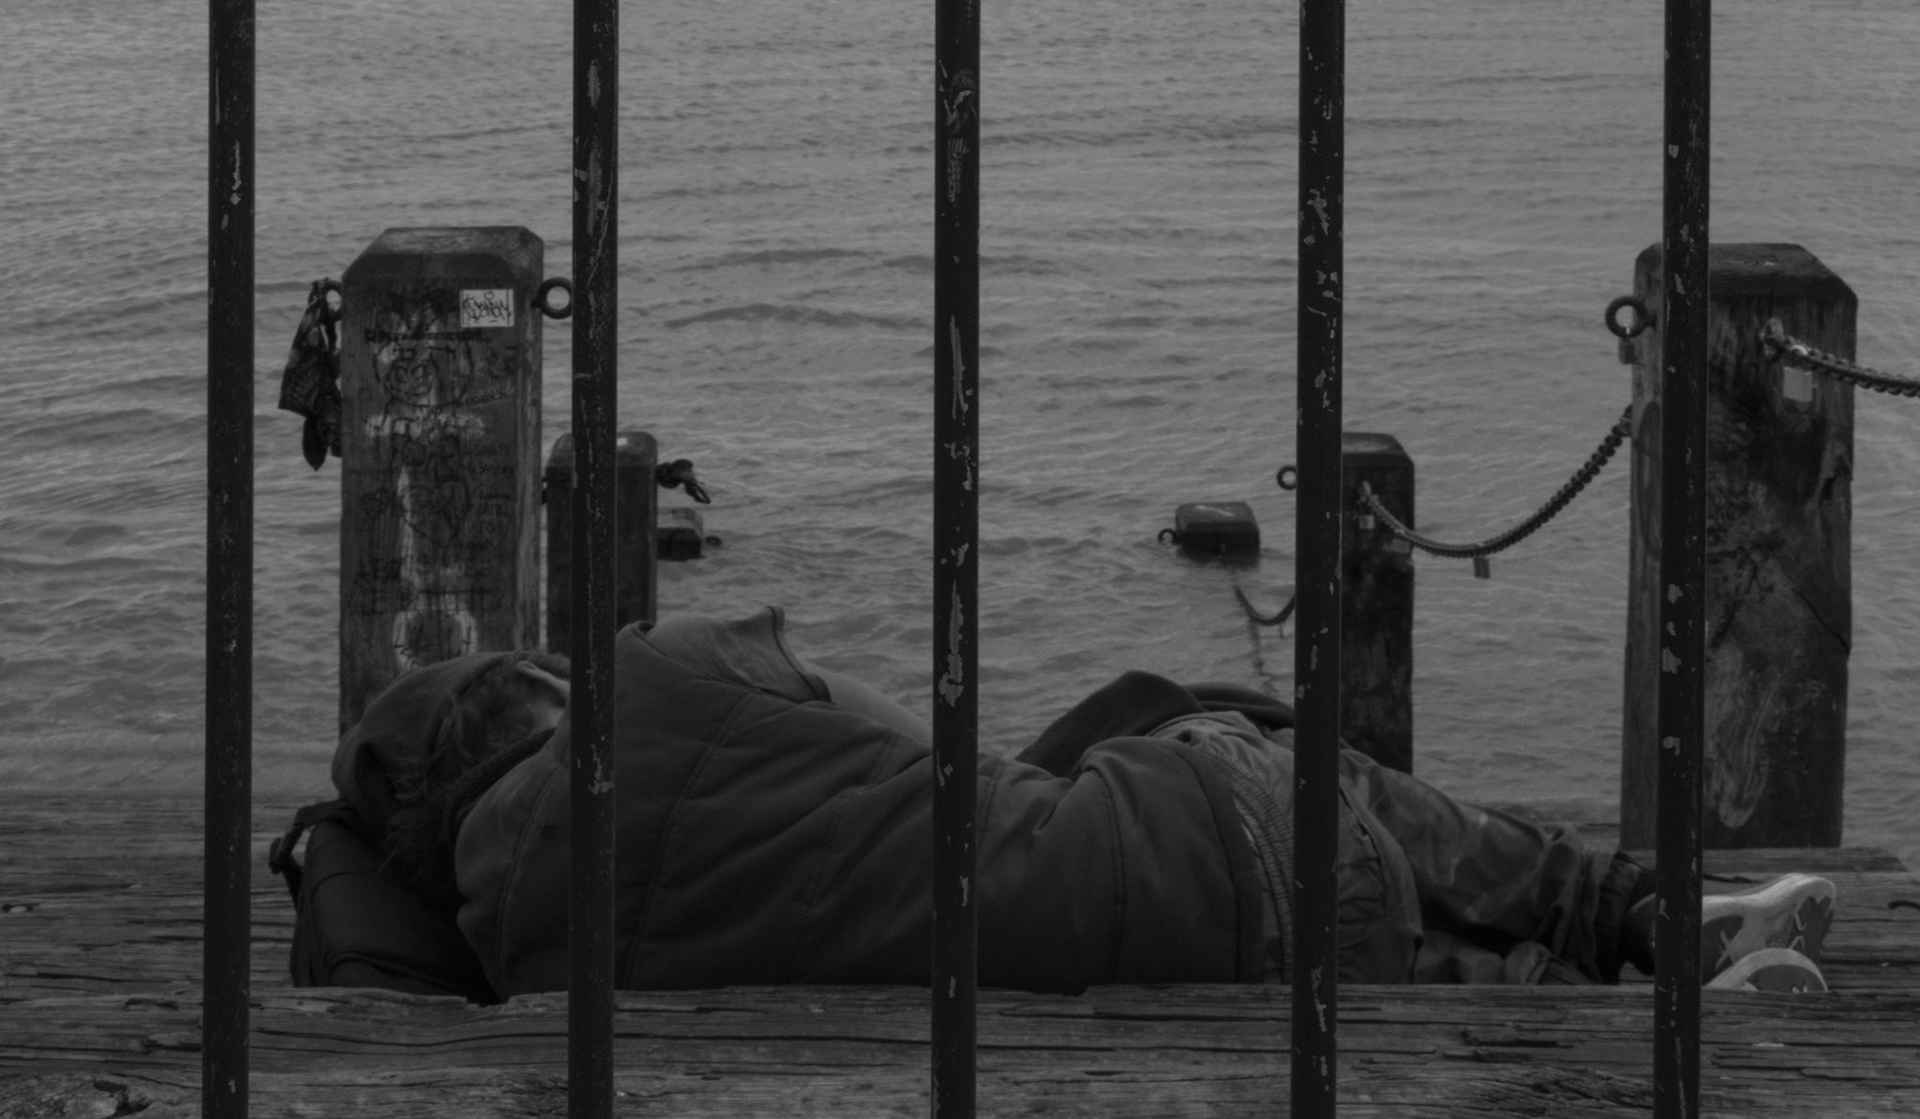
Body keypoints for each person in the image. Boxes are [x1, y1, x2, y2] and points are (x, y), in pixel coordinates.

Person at [331, 607, 1836, 1000]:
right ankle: (1635, 912)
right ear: (545, 697)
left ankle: (1586, 1003)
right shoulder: (655, 679)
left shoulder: (527, 960)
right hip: (1246, 832)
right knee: (1233, 733)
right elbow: (907, 738)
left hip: (1226, 957)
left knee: (1359, 935)